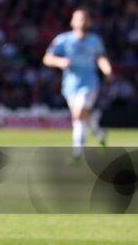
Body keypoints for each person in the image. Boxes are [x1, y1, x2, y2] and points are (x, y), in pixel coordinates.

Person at [43, 8, 113, 158]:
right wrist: (59, 61)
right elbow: (47, 58)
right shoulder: (63, 39)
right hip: (70, 85)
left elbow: (101, 58)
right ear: (72, 22)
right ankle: (100, 134)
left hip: (90, 84)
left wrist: (107, 70)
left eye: (85, 19)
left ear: (90, 22)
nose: (82, 21)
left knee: (78, 113)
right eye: (79, 18)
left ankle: (78, 153)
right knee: (83, 115)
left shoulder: (95, 41)